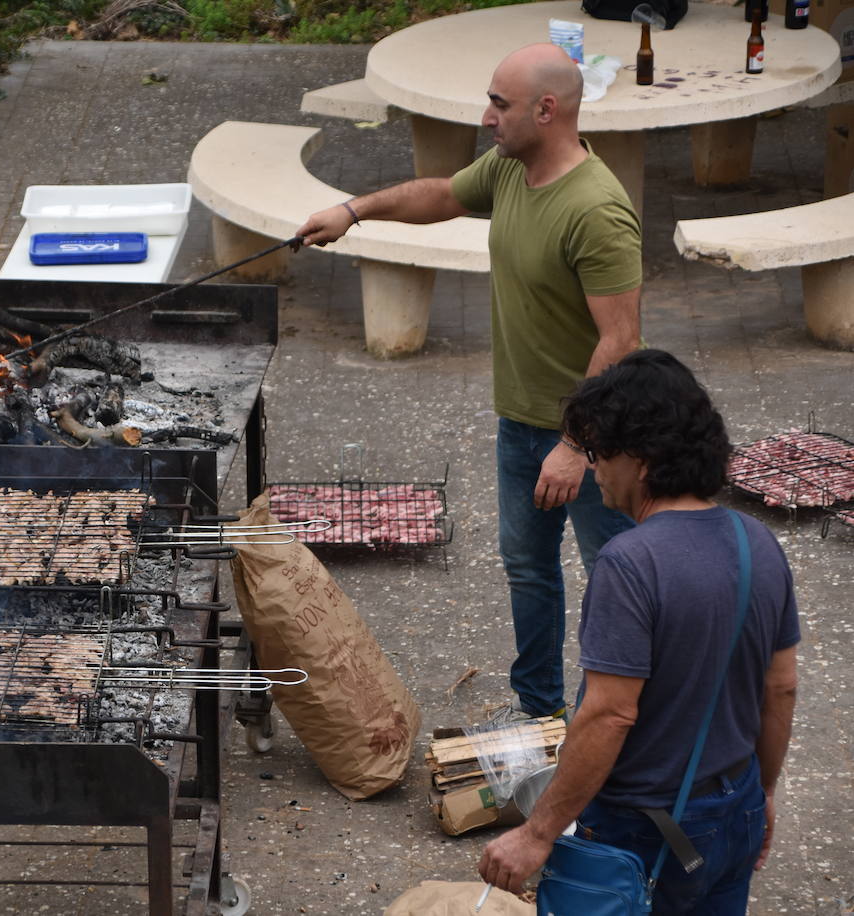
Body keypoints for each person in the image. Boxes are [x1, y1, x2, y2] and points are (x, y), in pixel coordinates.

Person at [296, 43, 641, 720]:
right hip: (520, 422)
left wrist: (577, 445)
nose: (487, 116)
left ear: (546, 111)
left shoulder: (597, 209)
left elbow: (620, 341)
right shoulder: (513, 168)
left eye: (499, 104)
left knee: (616, 580)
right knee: (529, 570)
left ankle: (602, 726)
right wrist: (354, 211)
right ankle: (539, 714)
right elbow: (444, 194)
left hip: (599, 436)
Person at [478, 348, 800, 913]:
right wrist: (763, 793)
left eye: (601, 451)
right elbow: (781, 689)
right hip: (736, 807)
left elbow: (609, 714)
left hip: (646, 831)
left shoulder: (630, 562)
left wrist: (536, 834)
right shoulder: (759, 543)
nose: (595, 467)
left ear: (643, 459)